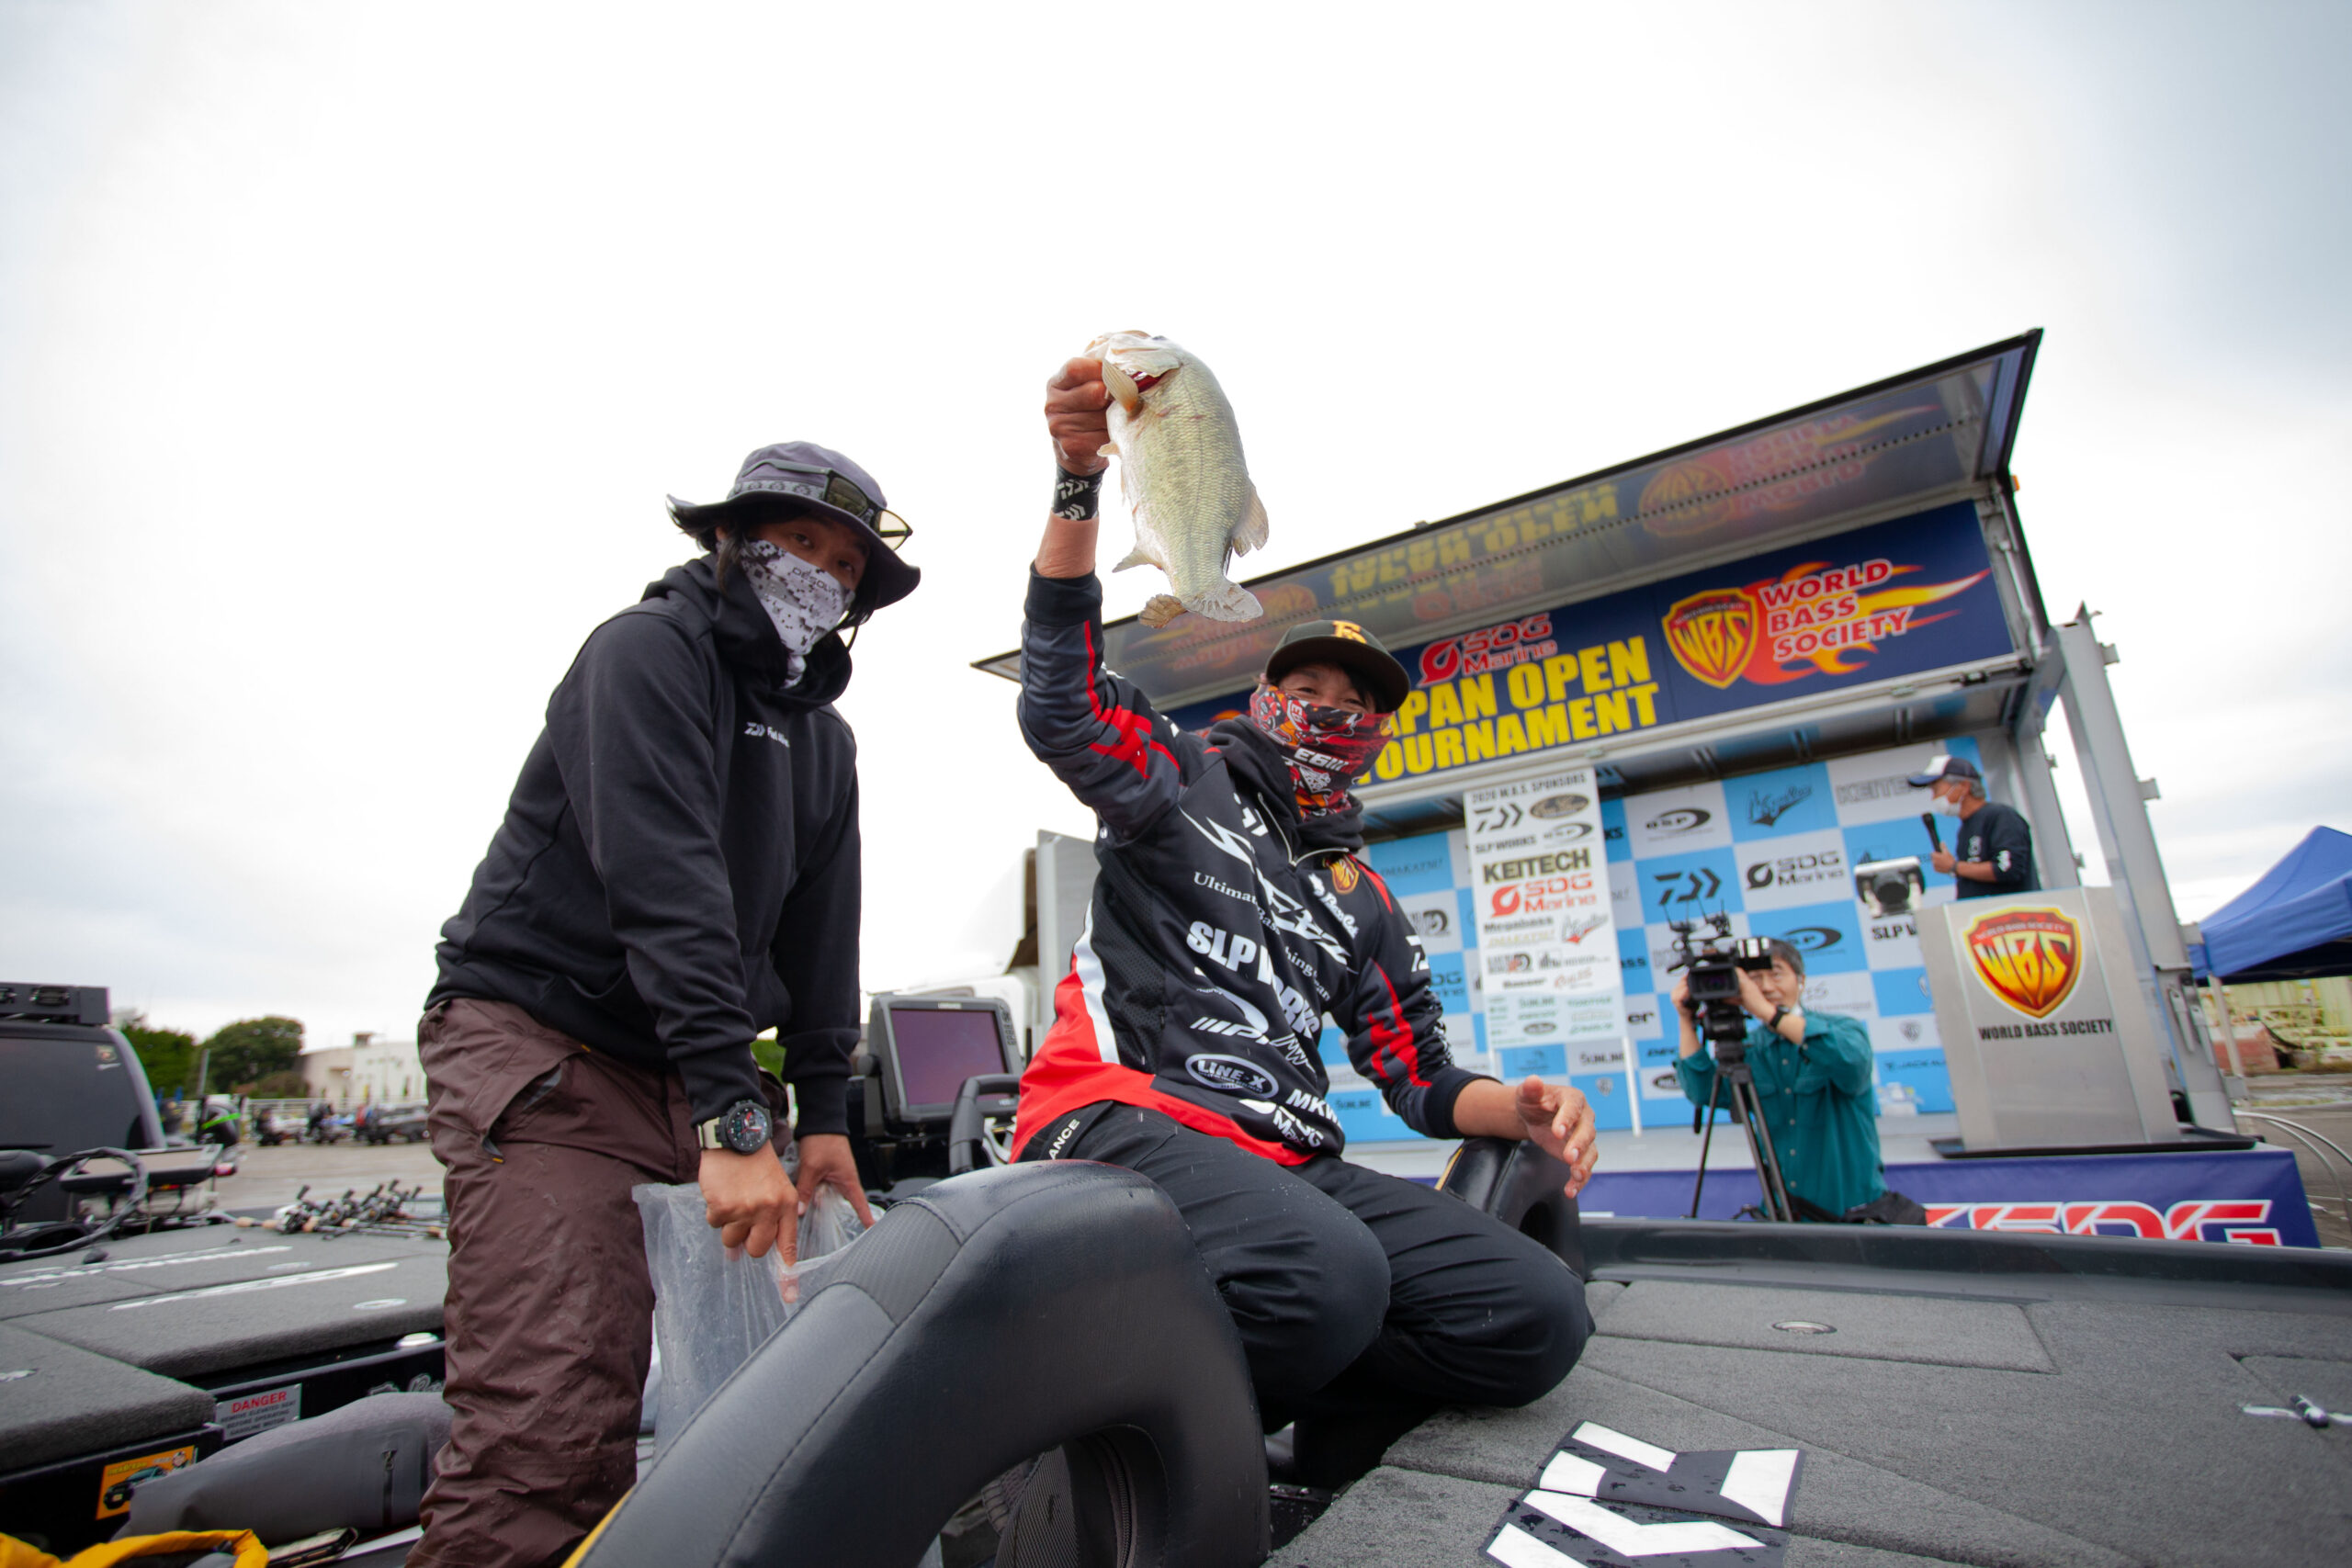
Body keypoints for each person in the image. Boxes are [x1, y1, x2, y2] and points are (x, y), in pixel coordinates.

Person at [1010, 355, 1600, 1489]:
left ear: (1378, 736)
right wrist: (1078, 481)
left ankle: (1296, 1409)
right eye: (1308, 692)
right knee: (1324, 1275)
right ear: (1263, 700)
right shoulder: (1178, 778)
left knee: (1535, 1314)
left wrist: (1523, 1107)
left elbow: (1418, 1078)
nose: (1331, 712)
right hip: (1117, 1122)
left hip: (1285, 1164)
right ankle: (1056, 1464)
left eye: (1357, 704)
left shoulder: (1362, 895)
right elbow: (1060, 700)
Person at [413, 443, 917, 1568]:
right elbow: (666, 884)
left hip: (692, 1067)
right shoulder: (644, 653)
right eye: (798, 544)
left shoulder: (823, 740)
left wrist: (822, 1115)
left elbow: (822, 934)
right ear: (729, 539)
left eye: (845, 566)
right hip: (551, 1048)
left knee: (771, 1392)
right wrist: (734, 1123)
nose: (822, 576)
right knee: (550, 1420)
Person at [1670, 939, 1916, 1222]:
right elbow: (1702, 1090)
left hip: (1852, 1215)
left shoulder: (1841, 1029)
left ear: (1801, 981)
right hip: (1782, 1215)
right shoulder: (1748, 1049)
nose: (1766, 987)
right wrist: (1685, 1020)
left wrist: (1767, 1012)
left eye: (1776, 974)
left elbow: (1850, 1063)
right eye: (1754, 979)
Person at [1910, 753, 2036, 899]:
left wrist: (1954, 866)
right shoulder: (1965, 828)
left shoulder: (2001, 816)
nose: (1933, 798)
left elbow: (2008, 869)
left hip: (2011, 913)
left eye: (1936, 790)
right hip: (1981, 913)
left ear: (1963, 786)